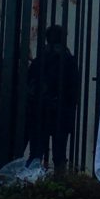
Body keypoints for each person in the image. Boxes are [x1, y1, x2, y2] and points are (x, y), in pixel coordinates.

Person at [24, 25, 80, 177]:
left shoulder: (39, 61)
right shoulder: (69, 61)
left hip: (39, 114)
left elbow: (29, 87)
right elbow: (74, 92)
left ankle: (29, 185)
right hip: (61, 115)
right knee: (59, 157)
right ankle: (59, 188)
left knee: (35, 155)